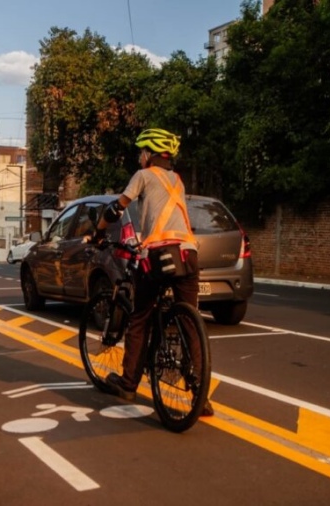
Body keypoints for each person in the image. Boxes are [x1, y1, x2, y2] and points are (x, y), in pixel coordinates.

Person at [93, 128, 213, 417]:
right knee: (188, 321)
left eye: (141, 152)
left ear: (148, 154)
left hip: (158, 254)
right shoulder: (178, 181)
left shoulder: (143, 176)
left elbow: (116, 209)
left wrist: (98, 231)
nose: (139, 157)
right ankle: (200, 396)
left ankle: (128, 382)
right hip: (188, 254)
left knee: (140, 317)